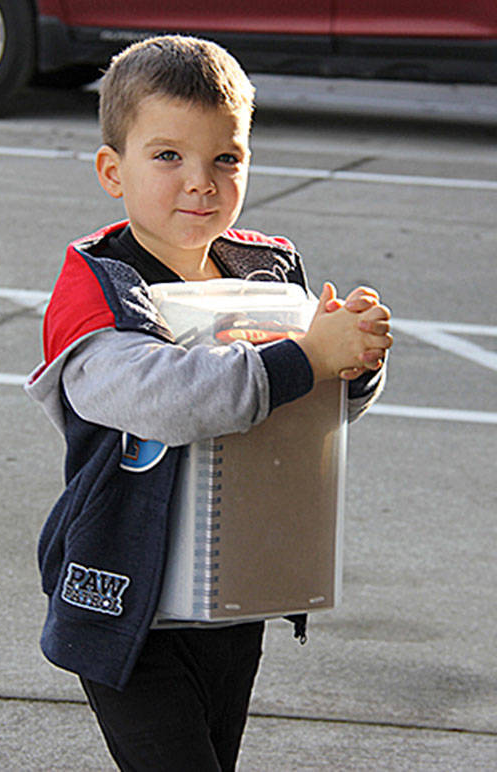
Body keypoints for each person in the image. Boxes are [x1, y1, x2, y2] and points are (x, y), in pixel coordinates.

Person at [26, 35, 392, 772]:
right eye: (168, 157)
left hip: (229, 591)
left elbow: (300, 413)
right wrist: (304, 358)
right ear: (111, 170)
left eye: (225, 159)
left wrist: (352, 364)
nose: (201, 182)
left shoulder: (265, 270)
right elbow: (168, 400)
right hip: (126, 602)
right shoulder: (99, 288)